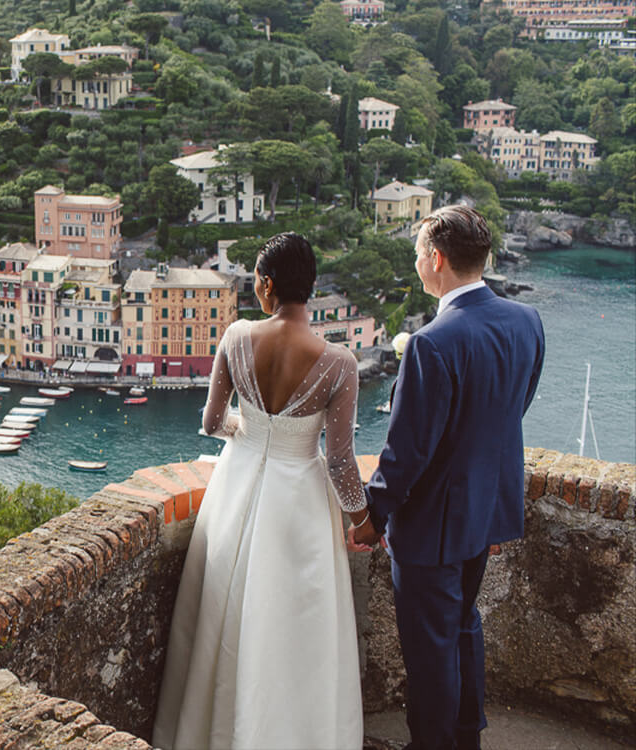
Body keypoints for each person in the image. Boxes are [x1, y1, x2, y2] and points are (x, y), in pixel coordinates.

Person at [154, 232, 366, 749]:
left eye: (254, 279)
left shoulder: (235, 337)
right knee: (293, 628)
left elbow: (211, 423)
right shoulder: (340, 363)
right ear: (309, 286)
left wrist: (248, 432)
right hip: (299, 500)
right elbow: (340, 461)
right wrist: (362, 518)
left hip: (237, 484)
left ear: (268, 285)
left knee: (223, 615)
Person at [352, 206, 544, 749]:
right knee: (462, 625)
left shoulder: (432, 342)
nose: (416, 263)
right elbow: (511, 412)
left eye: (418, 253)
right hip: (485, 512)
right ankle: (465, 738)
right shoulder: (527, 321)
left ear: (436, 259)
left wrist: (372, 517)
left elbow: (405, 453)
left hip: (432, 526)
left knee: (429, 648)